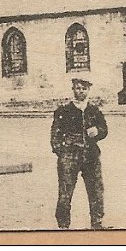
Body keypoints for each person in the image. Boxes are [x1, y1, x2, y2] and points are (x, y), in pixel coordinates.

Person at [52, 77, 108, 229]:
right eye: (78, 88)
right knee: (65, 191)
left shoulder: (94, 110)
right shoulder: (63, 110)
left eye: (84, 89)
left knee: (96, 189)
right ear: (73, 89)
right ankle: (63, 225)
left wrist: (97, 131)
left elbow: (104, 129)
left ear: (88, 90)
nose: (81, 91)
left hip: (91, 156)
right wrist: (62, 152)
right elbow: (55, 135)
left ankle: (97, 222)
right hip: (69, 157)